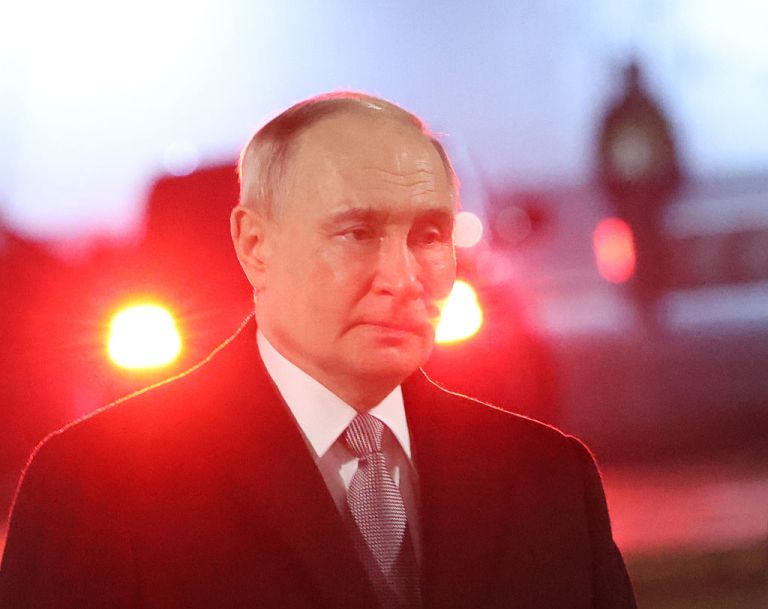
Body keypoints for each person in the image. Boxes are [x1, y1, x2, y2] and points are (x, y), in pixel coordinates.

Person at [0, 92, 636, 609]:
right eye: (356, 232)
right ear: (255, 245)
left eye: (429, 234)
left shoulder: (553, 480)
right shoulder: (92, 486)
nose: (402, 275)